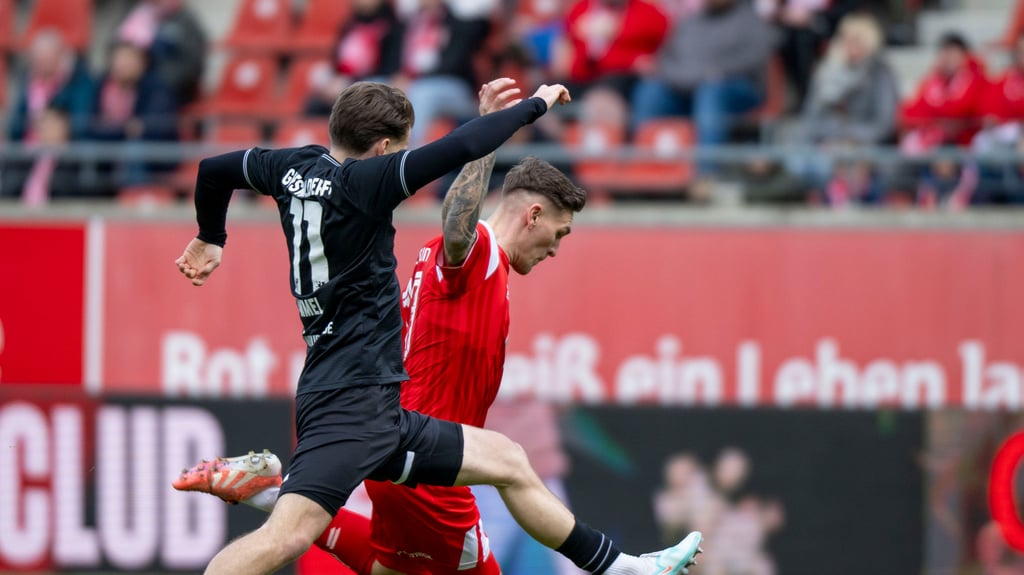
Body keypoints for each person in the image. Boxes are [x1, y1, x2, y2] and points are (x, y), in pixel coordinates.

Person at [173, 79, 702, 575]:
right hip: (354, 404)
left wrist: (210, 235)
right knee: (283, 541)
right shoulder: (366, 183)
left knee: (506, 463)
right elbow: (459, 148)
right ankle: (273, 492)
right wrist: (532, 106)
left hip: (376, 404)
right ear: (384, 149)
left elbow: (215, 168)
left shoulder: (290, 166)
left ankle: (626, 568)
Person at [629, 0, 775, 170]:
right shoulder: (689, 23)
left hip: (736, 91)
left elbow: (753, 60)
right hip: (686, 88)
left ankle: (706, 174)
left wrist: (715, 74)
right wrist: (691, 77)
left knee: (711, 93)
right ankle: (645, 166)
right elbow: (666, 61)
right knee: (650, 91)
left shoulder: (751, 21)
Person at [790, 13, 898, 191]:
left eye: (858, 40)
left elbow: (884, 123)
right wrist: (831, 137)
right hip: (825, 143)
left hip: (865, 144)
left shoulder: (880, 73)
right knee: (798, 161)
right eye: (847, 39)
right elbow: (811, 119)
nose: (851, 45)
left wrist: (850, 136)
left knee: (850, 164)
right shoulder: (825, 73)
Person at [304, 0, 401, 116]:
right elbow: (337, 59)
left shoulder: (390, 26)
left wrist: (352, 82)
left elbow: (390, 68)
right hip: (343, 80)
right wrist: (334, 80)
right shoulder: (349, 25)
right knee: (315, 100)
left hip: (374, 82)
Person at [900, 33, 988, 151]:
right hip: (935, 139)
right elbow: (914, 110)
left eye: (952, 53)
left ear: (965, 55)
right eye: (944, 53)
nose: (948, 58)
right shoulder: (932, 81)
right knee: (910, 143)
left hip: (967, 139)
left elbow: (963, 109)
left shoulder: (977, 79)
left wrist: (937, 115)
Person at [6, 29, 94, 142]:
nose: (40, 63)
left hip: (66, 151)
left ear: (60, 55)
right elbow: (16, 125)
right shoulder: (27, 82)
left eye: (46, 57)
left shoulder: (79, 81)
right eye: (37, 58)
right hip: (27, 152)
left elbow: (80, 123)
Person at [117, 0, 208, 105]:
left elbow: (193, 64)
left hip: (173, 90)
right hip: (138, 85)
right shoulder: (139, 15)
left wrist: (161, 79)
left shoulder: (185, 20)